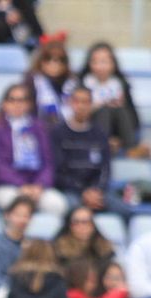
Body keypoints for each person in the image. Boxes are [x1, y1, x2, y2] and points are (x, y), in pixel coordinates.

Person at [0, 82, 67, 215]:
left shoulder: (39, 128)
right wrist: (21, 185)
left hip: (36, 187)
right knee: (17, 204)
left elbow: (48, 163)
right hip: (2, 186)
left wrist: (39, 185)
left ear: (29, 104)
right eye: (12, 100)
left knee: (57, 204)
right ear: (4, 103)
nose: (17, 104)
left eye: (22, 100)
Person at [49, 85, 117, 214]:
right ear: (70, 103)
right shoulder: (57, 133)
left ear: (91, 105)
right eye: (77, 101)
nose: (81, 106)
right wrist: (83, 191)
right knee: (73, 209)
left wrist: (97, 190)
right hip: (69, 191)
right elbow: (58, 172)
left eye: (85, 102)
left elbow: (105, 168)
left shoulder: (100, 134)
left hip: (96, 192)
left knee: (123, 209)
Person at [79, 42, 142, 157]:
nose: (100, 67)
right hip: (92, 128)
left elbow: (134, 118)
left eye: (104, 62)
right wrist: (97, 106)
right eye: (95, 62)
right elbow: (78, 115)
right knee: (104, 111)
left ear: (113, 64)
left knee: (121, 110)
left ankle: (131, 147)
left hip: (118, 132)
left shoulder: (120, 84)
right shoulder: (83, 83)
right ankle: (104, 144)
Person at [52, 203, 114, 270]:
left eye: (85, 222)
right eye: (76, 222)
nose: (81, 226)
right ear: (69, 226)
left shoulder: (104, 249)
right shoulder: (59, 249)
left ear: (93, 225)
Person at [23, 38, 71, 124]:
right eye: (48, 59)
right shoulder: (31, 82)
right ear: (41, 61)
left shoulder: (73, 83)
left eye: (60, 59)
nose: (54, 63)